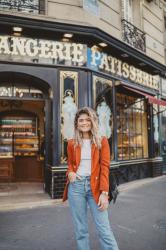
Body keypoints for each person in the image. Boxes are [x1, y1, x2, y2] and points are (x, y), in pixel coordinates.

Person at [63, 107, 119, 250]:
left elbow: (105, 167)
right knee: (80, 230)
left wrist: (104, 193)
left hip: (96, 187)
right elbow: (70, 163)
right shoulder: (71, 143)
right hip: (76, 187)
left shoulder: (102, 141)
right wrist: (70, 172)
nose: (84, 123)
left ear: (93, 121)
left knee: (104, 229)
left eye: (88, 119)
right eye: (81, 120)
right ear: (76, 123)